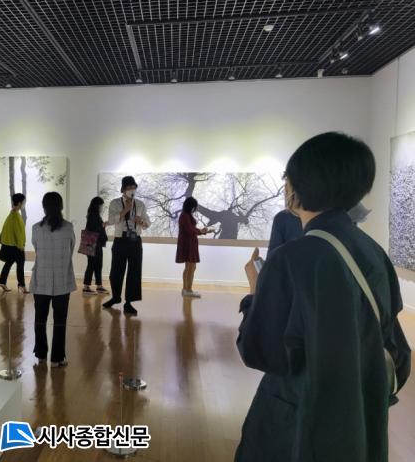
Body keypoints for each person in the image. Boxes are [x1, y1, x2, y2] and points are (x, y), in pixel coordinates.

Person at [236, 132, 411, 462]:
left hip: (298, 418)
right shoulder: (373, 252)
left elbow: (262, 352)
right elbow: (395, 348)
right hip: (361, 418)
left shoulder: (290, 258)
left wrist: (254, 293)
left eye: (287, 179)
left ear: (298, 188)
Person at [30, 192, 76, 368]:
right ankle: (57, 358)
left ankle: (41, 355)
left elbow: (36, 248)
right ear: (61, 206)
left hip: (41, 280)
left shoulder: (36, 228)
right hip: (62, 281)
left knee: (40, 319)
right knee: (60, 321)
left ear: (44, 207)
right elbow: (71, 249)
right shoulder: (68, 227)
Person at [103, 176, 151, 316]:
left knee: (134, 272)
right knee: (116, 271)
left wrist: (141, 221)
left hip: (135, 240)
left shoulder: (140, 204)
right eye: (129, 187)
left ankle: (129, 302)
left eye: (134, 187)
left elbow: (147, 223)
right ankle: (115, 297)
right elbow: (111, 220)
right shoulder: (115, 203)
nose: (132, 190)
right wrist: (126, 210)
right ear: (123, 189)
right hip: (120, 240)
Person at [176, 197, 210, 298]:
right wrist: (201, 231)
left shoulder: (186, 215)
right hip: (188, 244)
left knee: (191, 267)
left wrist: (202, 231)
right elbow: (190, 230)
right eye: (193, 207)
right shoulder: (184, 216)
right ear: (190, 206)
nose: (194, 209)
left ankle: (187, 289)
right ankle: (187, 289)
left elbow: (191, 229)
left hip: (190, 243)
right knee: (190, 267)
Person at [0, 193, 27, 293]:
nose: (24, 204)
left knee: (9, 263)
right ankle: (21, 285)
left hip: (10, 245)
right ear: (19, 203)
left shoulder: (12, 214)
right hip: (16, 246)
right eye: (24, 202)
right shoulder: (15, 215)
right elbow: (18, 232)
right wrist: (20, 245)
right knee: (20, 264)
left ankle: (2, 282)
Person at [82, 196, 109, 296]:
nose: (102, 207)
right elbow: (93, 229)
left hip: (95, 243)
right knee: (92, 265)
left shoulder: (94, 215)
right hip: (92, 243)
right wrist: (102, 225)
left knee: (97, 265)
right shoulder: (92, 215)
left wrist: (102, 225)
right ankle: (86, 287)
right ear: (97, 205)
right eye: (101, 205)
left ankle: (99, 286)